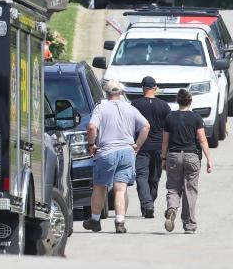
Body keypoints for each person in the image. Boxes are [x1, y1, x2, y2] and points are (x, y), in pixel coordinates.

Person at [82, 79, 150, 234]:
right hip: (127, 152)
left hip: (107, 152)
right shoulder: (130, 108)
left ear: (105, 93)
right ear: (120, 92)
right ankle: (120, 222)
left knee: (100, 186)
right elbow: (146, 126)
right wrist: (137, 145)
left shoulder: (100, 108)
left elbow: (92, 126)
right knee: (121, 189)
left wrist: (91, 144)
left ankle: (95, 219)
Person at [161, 89, 214, 234]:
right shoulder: (196, 118)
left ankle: (172, 208)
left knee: (173, 187)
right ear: (190, 101)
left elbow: (165, 141)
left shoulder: (170, 117)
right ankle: (189, 225)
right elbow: (202, 140)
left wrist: (163, 158)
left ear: (177, 101)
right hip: (191, 156)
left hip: (173, 156)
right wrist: (209, 159)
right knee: (190, 190)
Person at [131, 76, 172, 218]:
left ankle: (147, 204)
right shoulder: (164, 106)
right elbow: (169, 128)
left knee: (141, 176)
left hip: (141, 146)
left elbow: (130, 126)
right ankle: (149, 203)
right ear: (155, 88)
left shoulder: (135, 104)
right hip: (159, 147)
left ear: (143, 88)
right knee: (154, 178)